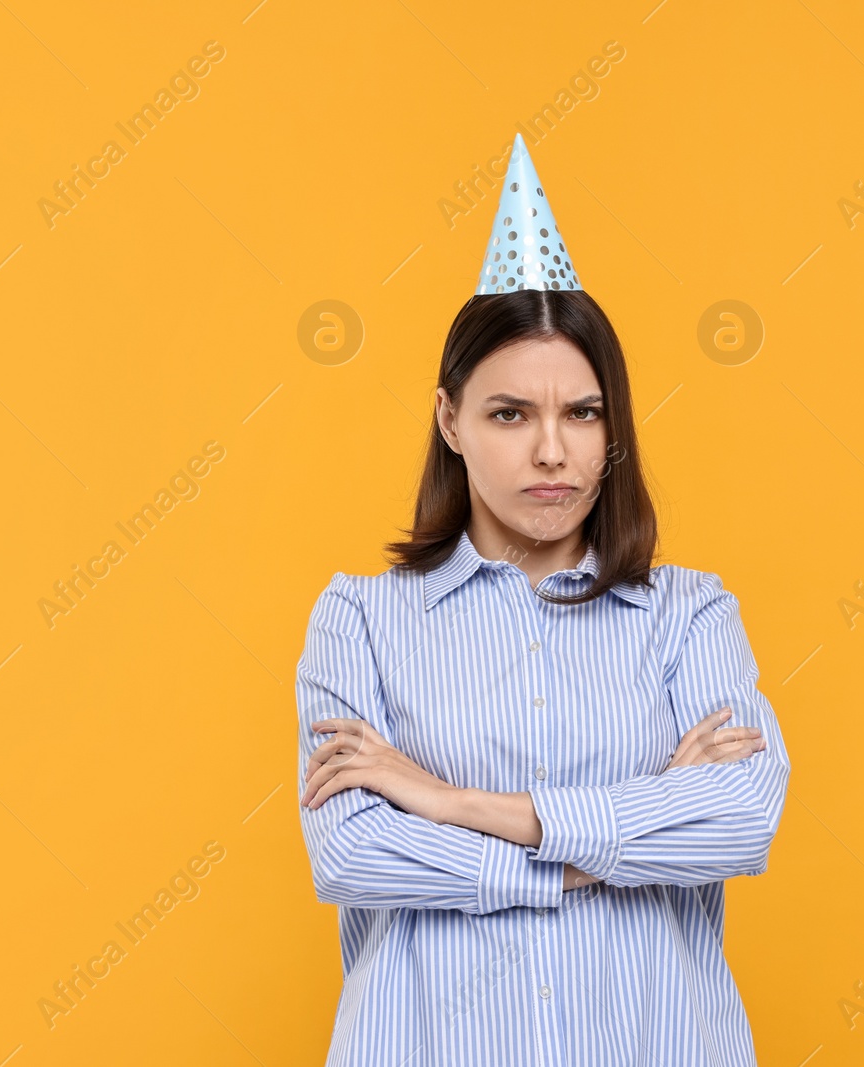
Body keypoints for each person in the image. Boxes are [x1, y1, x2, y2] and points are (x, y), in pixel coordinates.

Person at [295, 133, 791, 1066]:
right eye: (511, 413)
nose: (553, 451)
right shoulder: (359, 618)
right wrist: (616, 835)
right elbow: (354, 855)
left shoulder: (690, 614)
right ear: (451, 420)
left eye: (583, 412)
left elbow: (740, 819)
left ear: (615, 425)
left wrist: (451, 802)